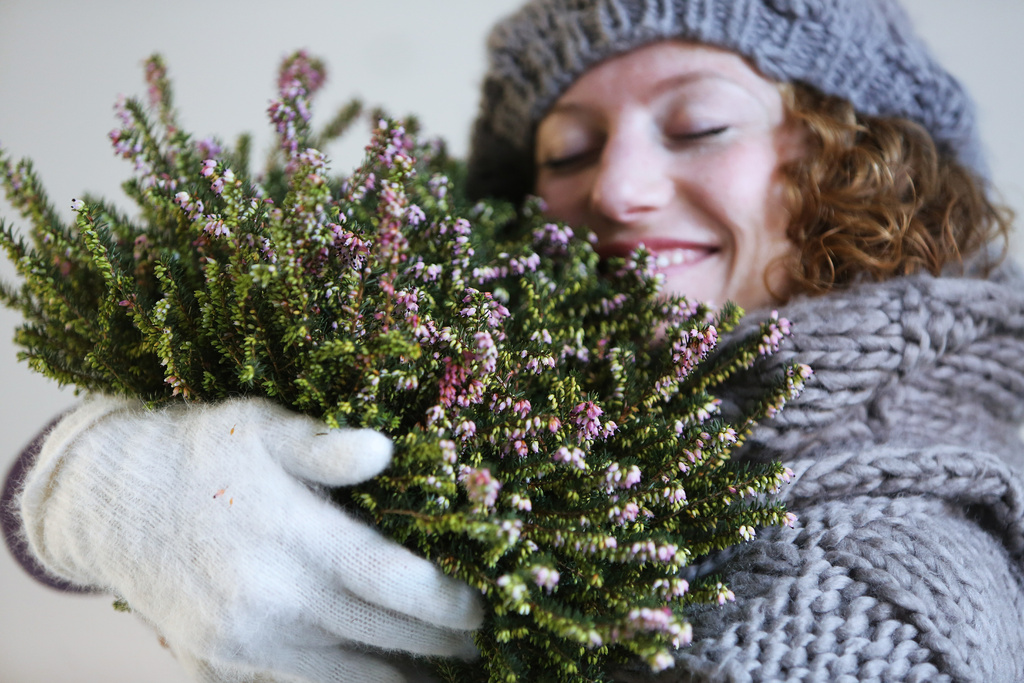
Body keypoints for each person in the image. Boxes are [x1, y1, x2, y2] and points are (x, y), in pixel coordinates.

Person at [4, 0, 1024, 681]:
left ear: (865, 159)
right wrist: (84, 487)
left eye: (698, 125)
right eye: (568, 149)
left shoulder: (870, 589)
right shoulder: (521, 418)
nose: (614, 191)